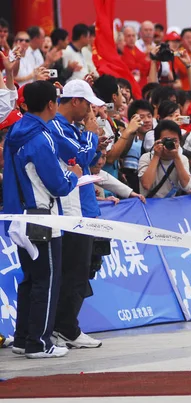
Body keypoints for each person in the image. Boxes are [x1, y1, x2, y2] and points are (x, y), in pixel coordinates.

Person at [3, 81, 82, 358]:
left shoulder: (15, 132)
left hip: (18, 216)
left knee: (31, 279)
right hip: (42, 217)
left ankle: (24, 338)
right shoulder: (41, 137)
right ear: (51, 104)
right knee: (47, 280)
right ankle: (40, 342)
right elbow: (58, 184)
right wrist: (74, 174)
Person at [48, 79, 106, 349]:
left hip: (85, 207)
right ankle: (65, 328)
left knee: (83, 271)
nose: (90, 112)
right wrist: (92, 136)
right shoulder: (56, 126)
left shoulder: (73, 127)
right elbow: (79, 156)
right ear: (76, 101)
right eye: (88, 105)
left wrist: (93, 139)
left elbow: (89, 161)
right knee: (73, 271)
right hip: (70, 210)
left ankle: (66, 326)